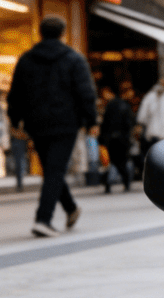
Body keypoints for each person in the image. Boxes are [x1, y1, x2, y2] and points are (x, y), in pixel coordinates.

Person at [7, 16, 97, 237]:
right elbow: (85, 93)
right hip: (66, 123)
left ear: (40, 33)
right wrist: (91, 120)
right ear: (63, 33)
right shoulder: (74, 59)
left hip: (36, 123)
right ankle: (43, 219)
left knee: (51, 170)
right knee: (54, 170)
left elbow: (16, 93)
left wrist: (14, 119)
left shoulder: (26, 59)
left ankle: (71, 208)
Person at [99, 85, 134, 192]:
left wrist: (103, 138)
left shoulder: (110, 106)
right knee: (122, 161)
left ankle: (109, 183)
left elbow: (104, 124)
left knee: (113, 162)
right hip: (123, 138)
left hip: (111, 138)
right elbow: (129, 123)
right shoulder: (125, 106)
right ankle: (125, 182)